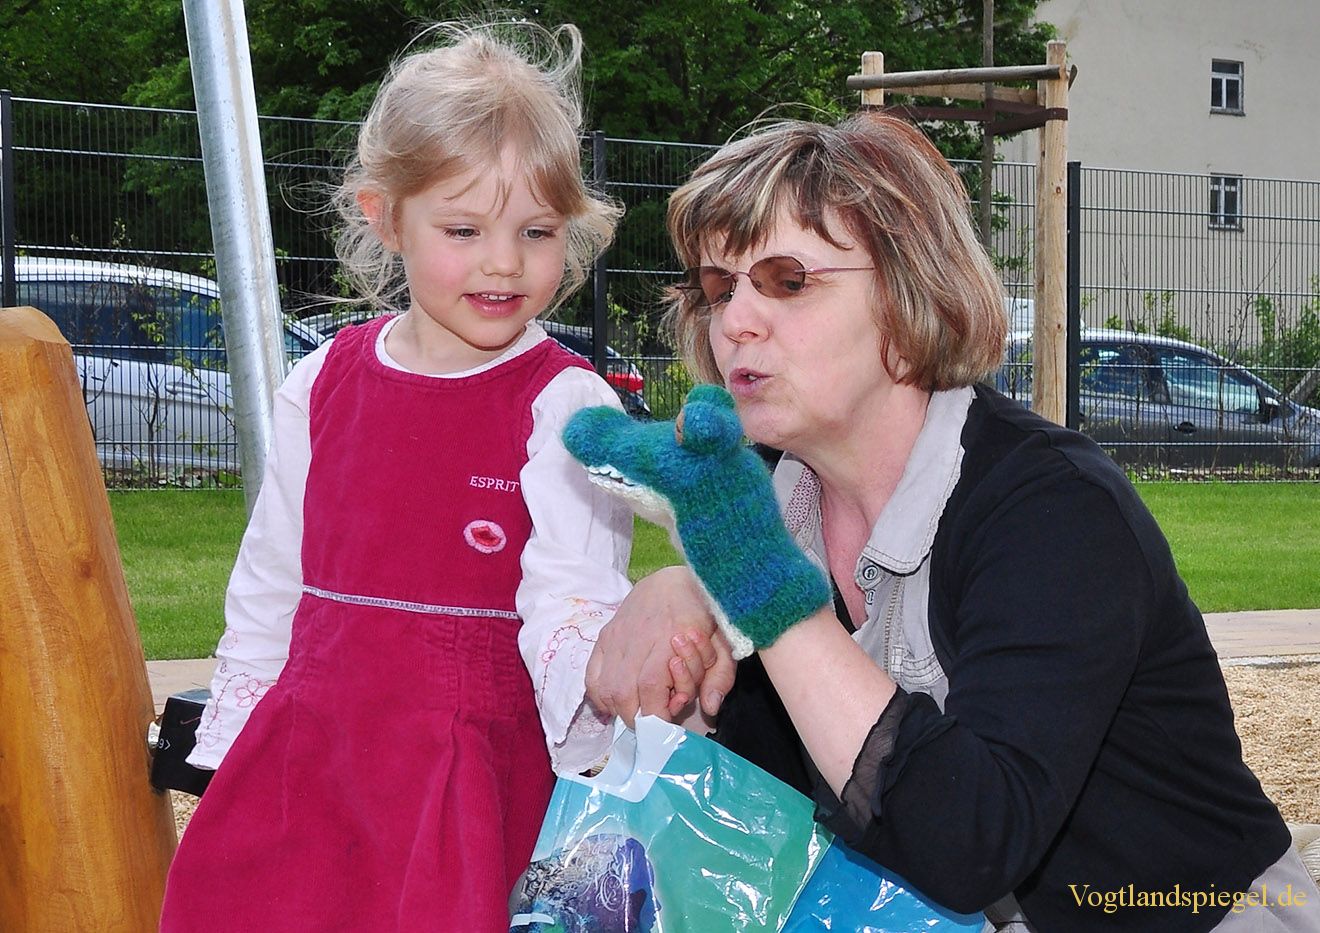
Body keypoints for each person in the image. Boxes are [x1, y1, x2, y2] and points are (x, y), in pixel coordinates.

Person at [584, 112, 1320, 932]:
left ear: (906, 297)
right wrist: (685, 606)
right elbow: (776, 802)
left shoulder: (1056, 508)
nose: (735, 321)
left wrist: (762, 593)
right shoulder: (771, 499)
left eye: (787, 280)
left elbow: (973, 837)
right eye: (721, 288)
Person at [160, 23, 637, 931]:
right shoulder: (323, 382)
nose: (504, 261)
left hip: (464, 781)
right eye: (464, 229)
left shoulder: (566, 405)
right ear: (387, 219)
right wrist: (234, 746)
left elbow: (574, 599)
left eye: (536, 231)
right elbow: (271, 583)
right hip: (316, 764)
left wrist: (604, 693)